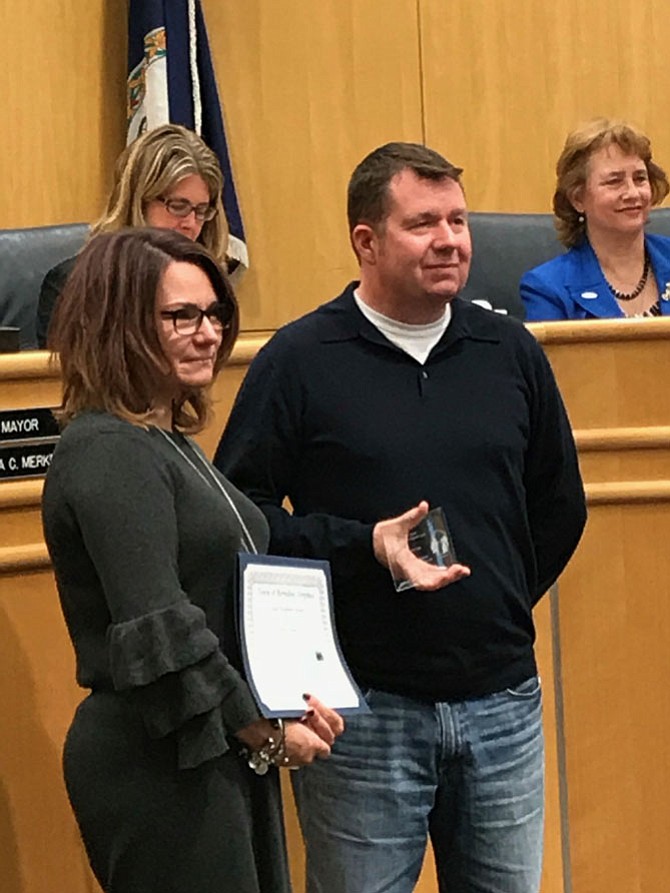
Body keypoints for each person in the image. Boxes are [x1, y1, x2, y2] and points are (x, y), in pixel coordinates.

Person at [214, 142, 587, 893]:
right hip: (361, 711)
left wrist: (497, 602)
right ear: (366, 241)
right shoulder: (299, 359)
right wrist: (365, 549)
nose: (451, 239)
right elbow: (238, 516)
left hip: (503, 705)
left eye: (458, 219)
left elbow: (559, 506)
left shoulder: (509, 351)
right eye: (424, 223)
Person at [42, 227, 343, 893]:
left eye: (215, 314)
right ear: (120, 322)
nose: (208, 332)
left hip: (214, 740)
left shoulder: (168, 442)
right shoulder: (108, 450)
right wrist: (263, 727)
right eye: (182, 315)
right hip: (156, 756)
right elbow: (162, 622)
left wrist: (286, 704)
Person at [36, 123, 230, 347]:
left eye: (201, 210)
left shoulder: (209, 281)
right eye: (178, 206)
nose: (191, 223)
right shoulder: (76, 285)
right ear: (137, 202)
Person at [520, 118, 670, 320]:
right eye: (614, 181)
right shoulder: (548, 288)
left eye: (640, 178)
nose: (633, 193)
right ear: (578, 198)